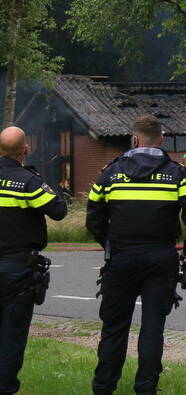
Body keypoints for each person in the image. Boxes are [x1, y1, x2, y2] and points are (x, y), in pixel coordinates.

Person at [87, 115, 186, 395]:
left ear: (135, 139)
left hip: (121, 259)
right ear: (161, 139)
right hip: (160, 258)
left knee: (114, 328)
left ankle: (104, 387)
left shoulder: (110, 173)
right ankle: (146, 388)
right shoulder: (176, 174)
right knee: (153, 327)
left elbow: (93, 217)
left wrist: (109, 245)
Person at [0, 126, 67, 393]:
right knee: (12, 334)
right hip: (17, 269)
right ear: (25, 150)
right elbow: (59, 211)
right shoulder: (27, 182)